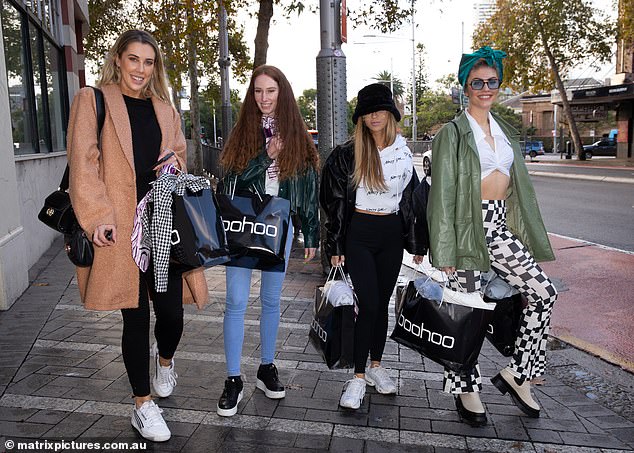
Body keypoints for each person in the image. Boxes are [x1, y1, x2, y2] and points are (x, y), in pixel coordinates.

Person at [67, 29, 208, 442]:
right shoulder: (93, 100)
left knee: (172, 315)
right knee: (135, 315)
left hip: (163, 222)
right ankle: (142, 405)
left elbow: (179, 154)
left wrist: (174, 162)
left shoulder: (165, 109)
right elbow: (84, 162)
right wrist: (98, 216)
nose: (140, 70)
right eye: (133, 60)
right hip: (121, 224)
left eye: (148, 63)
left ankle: (165, 361)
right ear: (119, 59)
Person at [426, 46, 558, 426]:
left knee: (542, 291)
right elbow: (441, 197)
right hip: (465, 228)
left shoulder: (505, 132)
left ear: (499, 85)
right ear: (465, 87)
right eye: (477, 82)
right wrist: (444, 248)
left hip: (497, 225)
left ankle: (519, 374)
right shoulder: (452, 134)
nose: (486, 88)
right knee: (465, 312)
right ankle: (466, 388)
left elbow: (516, 191)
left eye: (492, 82)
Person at [216, 65, 319, 417]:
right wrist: (265, 158)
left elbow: (306, 185)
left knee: (272, 300)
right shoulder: (242, 132)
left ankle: (266, 367)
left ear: (282, 93)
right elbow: (230, 182)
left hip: (280, 225)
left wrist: (311, 230)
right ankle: (233, 378)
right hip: (243, 225)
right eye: (258, 91)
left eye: (271, 91)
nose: (264, 98)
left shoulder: (296, 133)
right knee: (235, 300)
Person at [320, 83, 425, 410]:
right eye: (368, 111)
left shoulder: (404, 152)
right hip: (359, 235)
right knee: (367, 305)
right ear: (362, 118)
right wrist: (335, 244)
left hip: (391, 235)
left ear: (391, 114)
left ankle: (377, 366)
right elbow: (333, 203)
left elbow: (412, 200)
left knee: (380, 306)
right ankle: (358, 377)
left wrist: (418, 242)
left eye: (380, 109)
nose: (375, 116)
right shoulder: (347, 154)